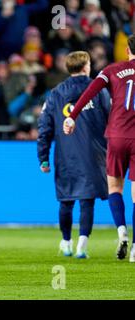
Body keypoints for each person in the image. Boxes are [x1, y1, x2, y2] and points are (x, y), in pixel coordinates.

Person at [64, 35, 135, 262]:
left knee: (115, 187)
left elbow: (89, 92)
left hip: (115, 136)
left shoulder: (112, 70)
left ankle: (121, 231)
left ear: (127, 50)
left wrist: (72, 116)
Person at [38, 51, 110, 258]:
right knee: (87, 201)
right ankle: (82, 246)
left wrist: (43, 157)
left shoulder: (56, 93)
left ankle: (66, 242)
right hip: (94, 155)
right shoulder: (99, 90)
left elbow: (44, 128)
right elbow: (111, 120)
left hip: (66, 155)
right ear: (86, 66)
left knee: (66, 200)